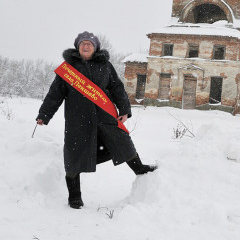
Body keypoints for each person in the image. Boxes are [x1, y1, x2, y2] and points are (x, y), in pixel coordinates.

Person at [36, 31, 156, 209]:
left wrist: (124, 109)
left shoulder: (105, 65)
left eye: (90, 44)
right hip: (77, 120)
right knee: (74, 155)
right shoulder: (68, 68)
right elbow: (55, 94)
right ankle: (75, 196)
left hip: (105, 116)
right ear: (78, 46)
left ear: (95, 47)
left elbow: (117, 87)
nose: (86, 46)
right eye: (83, 43)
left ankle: (139, 168)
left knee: (122, 140)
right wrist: (44, 114)